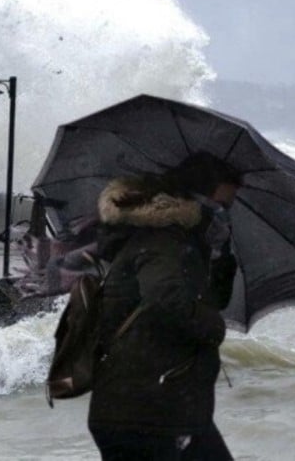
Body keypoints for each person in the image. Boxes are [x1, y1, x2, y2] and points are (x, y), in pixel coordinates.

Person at [87, 152, 241, 460]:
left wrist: (221, 257)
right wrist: (214, 327)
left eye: (229, 208)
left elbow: (210, 301)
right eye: (220, 206)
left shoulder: (186, 244)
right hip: (144, 413)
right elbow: (164, 298)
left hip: (168, 407)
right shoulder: (162, 240)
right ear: (194, 200)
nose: (224, 214)